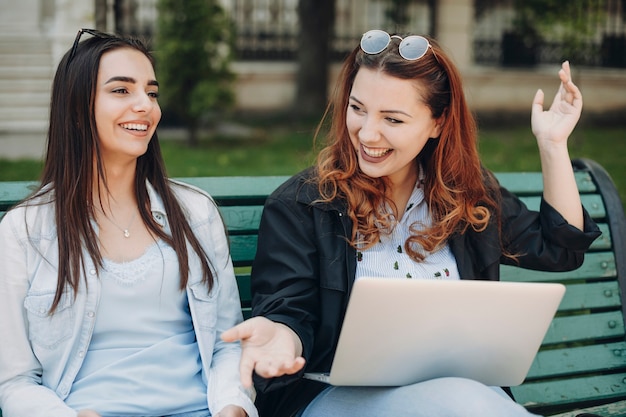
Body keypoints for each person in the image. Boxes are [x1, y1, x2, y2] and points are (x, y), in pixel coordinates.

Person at [221, 29, 602, 417]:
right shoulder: (303, 204)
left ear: (437, 123)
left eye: (393, 119)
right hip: (333, 397)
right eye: (357, 108)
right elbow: (289, 309)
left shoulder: (466, 195)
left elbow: (559, 249)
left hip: (461, 398)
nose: (368, 133)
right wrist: (281, 338)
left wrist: (553, 146)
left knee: (459, 398)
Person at [0, 29, 257, 417]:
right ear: (76, 107)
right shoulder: (26, 230)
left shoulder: (194, 213)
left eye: (151, 93)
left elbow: (226, 344)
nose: (145, 106)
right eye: (121, 91)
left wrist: (232, 407)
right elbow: (15, 381)